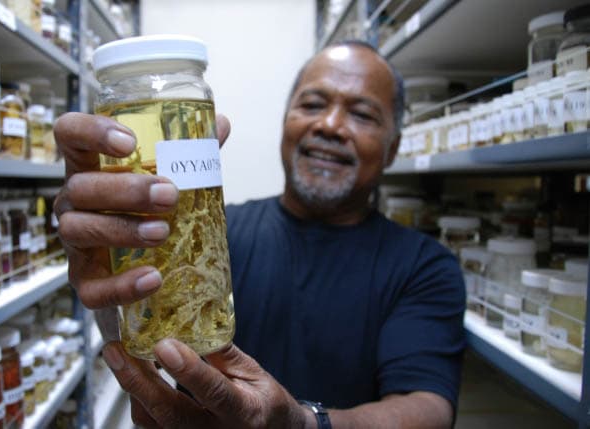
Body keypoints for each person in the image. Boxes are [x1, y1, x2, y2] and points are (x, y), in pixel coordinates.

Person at [53, 41, 466, 428]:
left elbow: (427, 407)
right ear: (286, 121)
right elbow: (142, 324)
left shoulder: (425, 266)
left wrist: (304, 424)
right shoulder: (207, 236)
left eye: (362, 114)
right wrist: (101, 264)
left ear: (393, 148)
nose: (329, 124)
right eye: (313, 104)